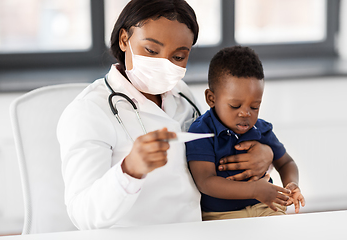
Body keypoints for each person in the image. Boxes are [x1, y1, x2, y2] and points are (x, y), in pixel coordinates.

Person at [57, 0, 277, 230]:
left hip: (200, 228)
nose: (164, 64)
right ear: (124, 40)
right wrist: (129, 170)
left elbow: (214, 150)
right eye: (151, 51)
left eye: (179, 57)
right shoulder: (89, 111)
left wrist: (265, 153)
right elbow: (83, 214)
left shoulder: (182, 94)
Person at [185, 46, 306, 221]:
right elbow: (205, 182)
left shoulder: (261, 128)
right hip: (221, 216)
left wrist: (291, 184)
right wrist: (255, 190)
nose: (245, 113)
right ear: (211, 99)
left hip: (265, 206)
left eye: (254, 106)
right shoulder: (201, 131)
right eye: (235, 106)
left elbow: (286, 162)